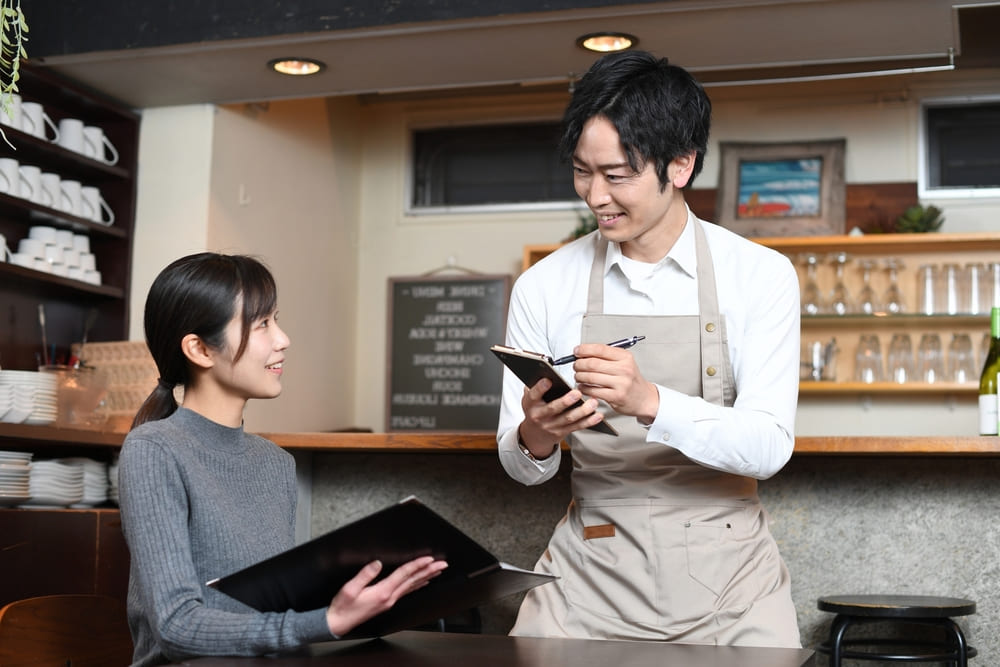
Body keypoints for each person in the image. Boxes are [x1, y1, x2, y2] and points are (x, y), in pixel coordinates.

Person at [496, 51, 801, 647]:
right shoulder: (545, 284)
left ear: (680, 165)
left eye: (617, 175)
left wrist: (648, 399)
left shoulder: (760, 275)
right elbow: (521, 468)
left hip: (732, 582)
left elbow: (768, 447)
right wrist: (537, 432)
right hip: (588, 576)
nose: (595, 195)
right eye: (583, 171)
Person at [118, 252, 447, 666]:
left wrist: (371, 599)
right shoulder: (155, 450)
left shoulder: (275, 463)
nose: (282, 339)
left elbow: (269, 607)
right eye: (262, 324)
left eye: (276, 320)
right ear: (200, 349)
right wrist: (324, 622)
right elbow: (176, 627)